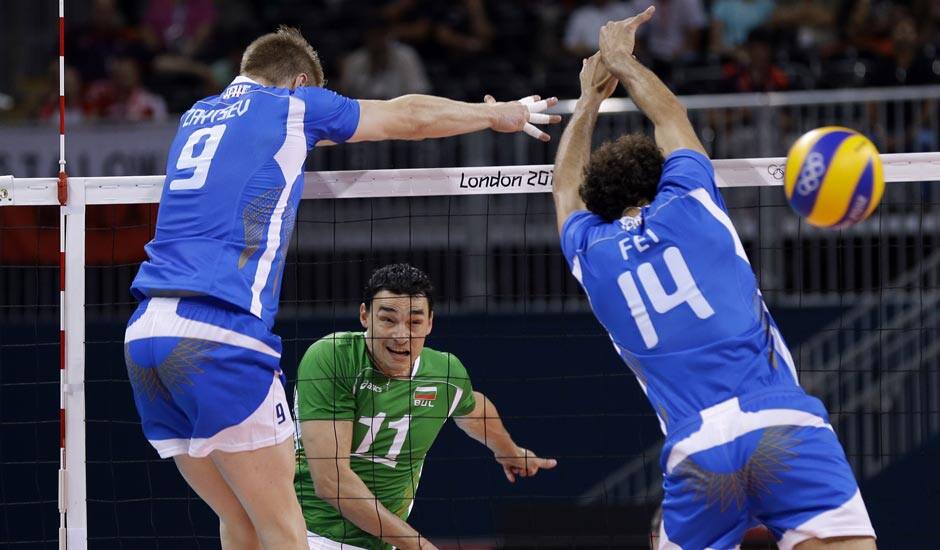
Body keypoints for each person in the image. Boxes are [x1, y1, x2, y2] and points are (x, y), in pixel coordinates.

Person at [123, 26, 560, 550]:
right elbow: (408, 116)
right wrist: (495, 114)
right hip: (220, 334)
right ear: (302, 82)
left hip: (146, 335)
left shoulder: (197, 114)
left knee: (239, 521)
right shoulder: (292, 105)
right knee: (284, 528)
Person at [552, 7, 877, 549]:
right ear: (660, 183)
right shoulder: (691, 204)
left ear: (600, 206)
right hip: (780, 422)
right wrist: (621, 63)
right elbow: (671, 117)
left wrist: (587, 98)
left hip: (697, 448)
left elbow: (564, 187)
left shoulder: (592, 252)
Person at [294, 263, 556, 550]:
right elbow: (331, 481)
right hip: (308, 533)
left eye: (414, 322)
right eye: (388, 320)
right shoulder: (333, 358)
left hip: (382, 542)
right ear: (365, 316)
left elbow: (474, 407)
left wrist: (509, 451)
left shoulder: (444, 373)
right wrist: (418, 546)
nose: (401, 334)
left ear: (430, 323)